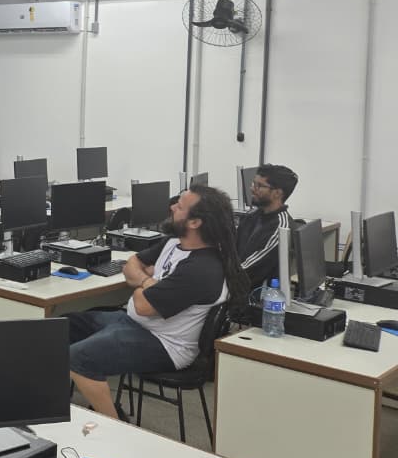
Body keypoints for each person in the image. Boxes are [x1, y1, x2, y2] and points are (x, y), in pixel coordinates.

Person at [67, 185, 247, 420]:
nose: (172, 207)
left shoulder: (202, 269)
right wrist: (149, 282)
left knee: (77, 359)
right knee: (60, 327)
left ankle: (115, 425)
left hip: (165, 344)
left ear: (195, 222)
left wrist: (142, 282)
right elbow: (131, 264)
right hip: (135, 324)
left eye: (179, 206)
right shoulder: (174, 243)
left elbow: (144, 305)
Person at [237, 163, 297, 291]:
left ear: (277, 193)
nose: (252, 189)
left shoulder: (281, 230)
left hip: (249, 294)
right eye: (253, 183)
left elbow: (248, 269)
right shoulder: (253, 215)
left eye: (259, 186)